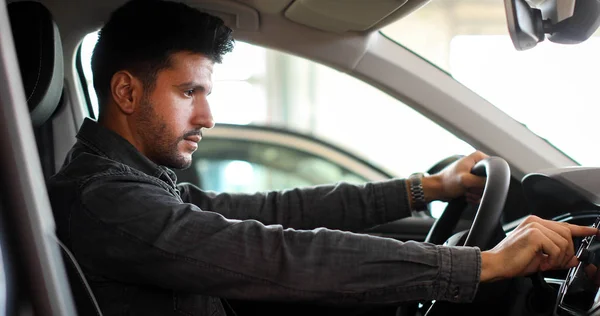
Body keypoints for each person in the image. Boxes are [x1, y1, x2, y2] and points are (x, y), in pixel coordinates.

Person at [47, 0, 597, 315]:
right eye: (190, 93)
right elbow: (270, 254)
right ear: (126, 93)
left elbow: (270, 211)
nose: (208, 117)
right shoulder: (106, 199)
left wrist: (425, 189)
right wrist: (483, 264)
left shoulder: (133, 183)